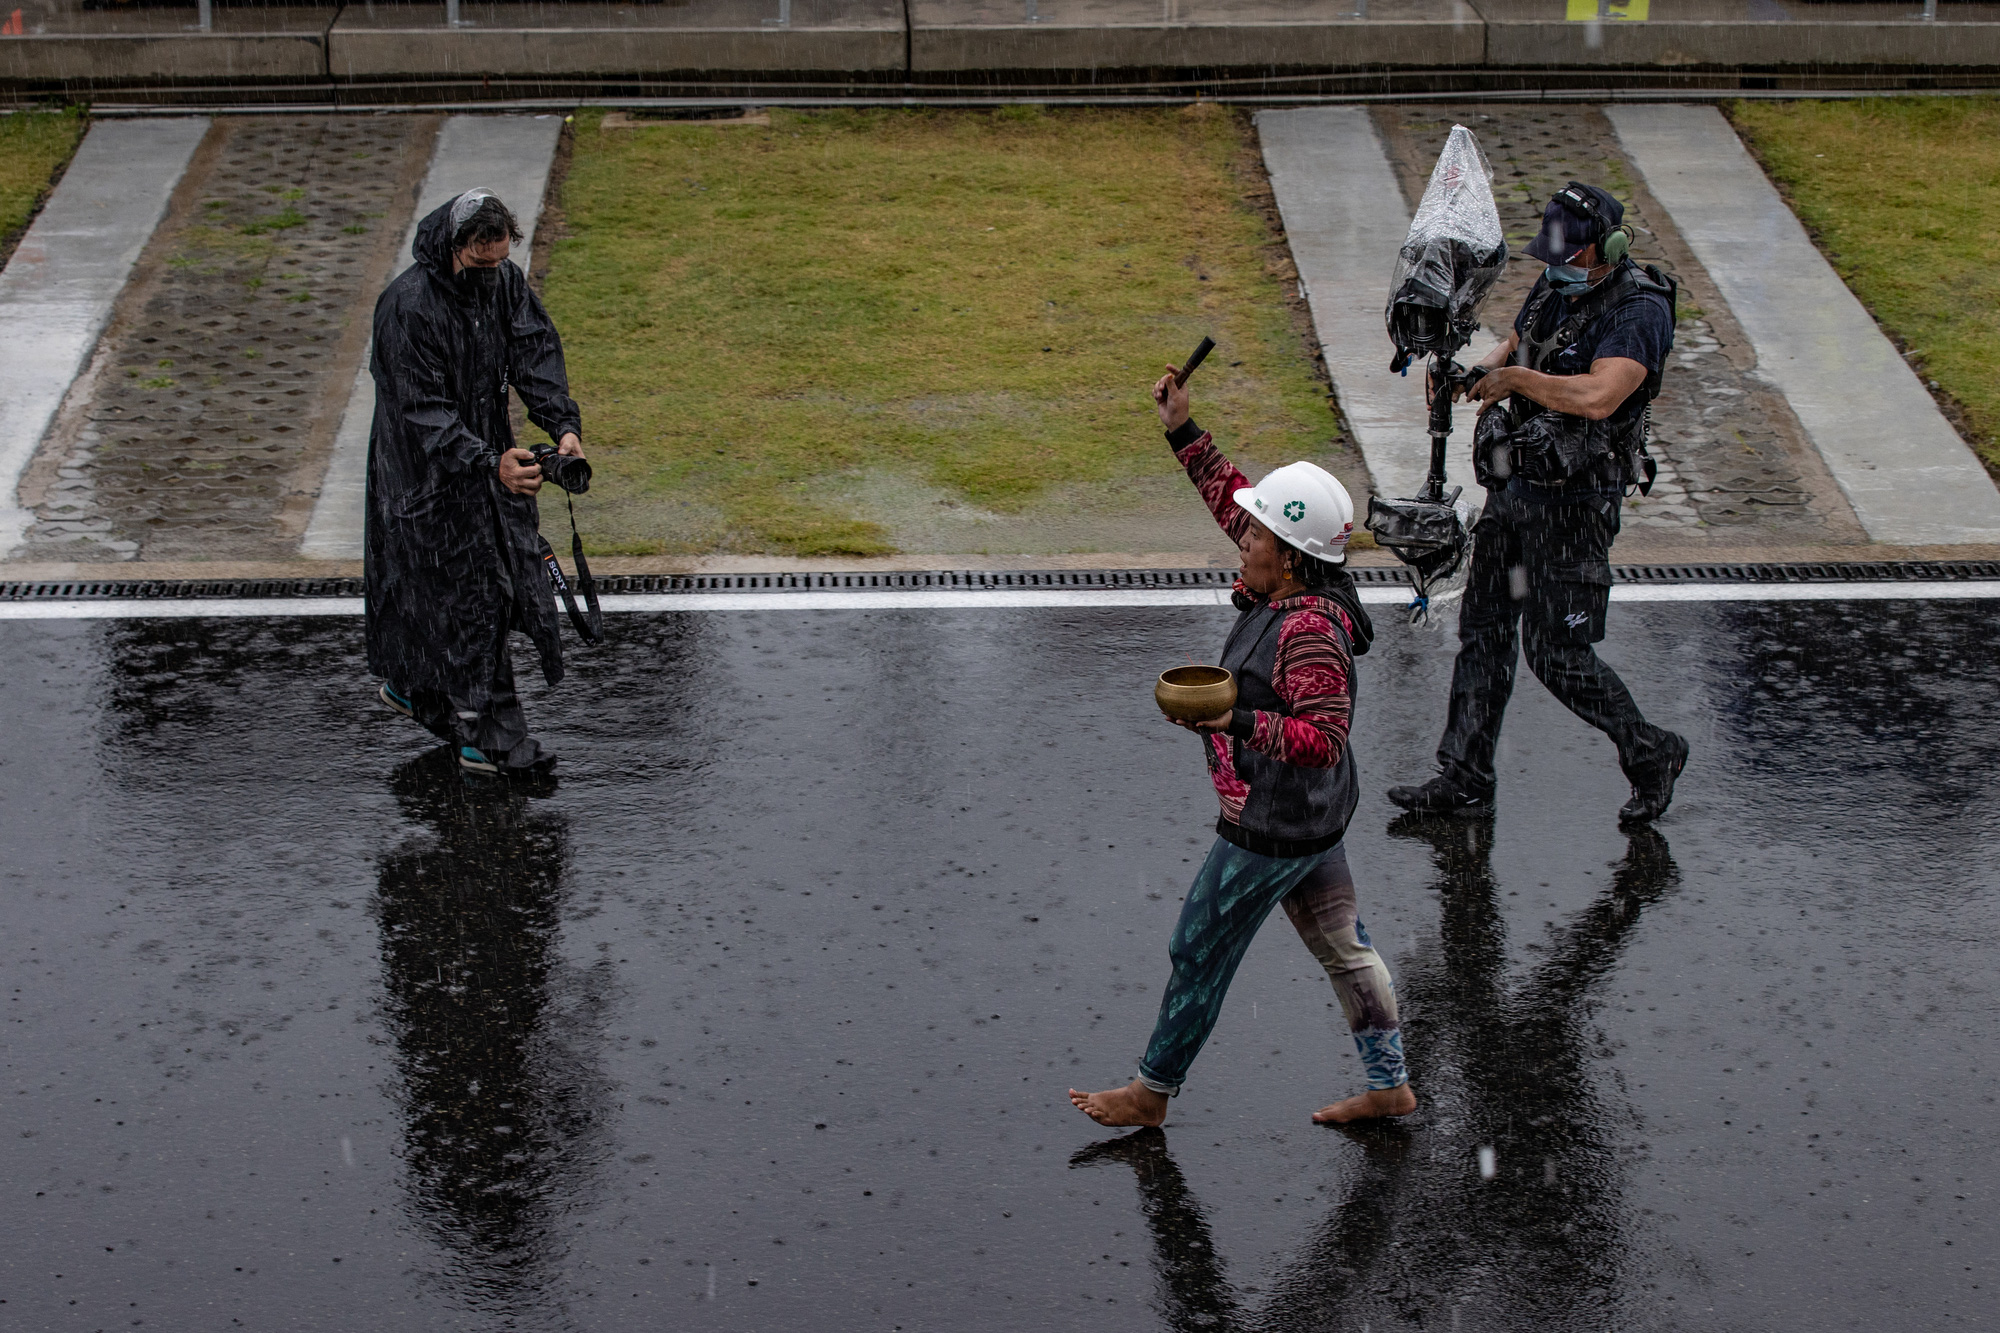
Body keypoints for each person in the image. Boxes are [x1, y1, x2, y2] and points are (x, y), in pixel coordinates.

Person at [1069, 366, 1414, 1129]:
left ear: (1290, 556)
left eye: (1256, 533)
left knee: (1198, 946)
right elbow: (1235, 499)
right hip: (1313, 820)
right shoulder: (1287, 578)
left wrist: (1232, 724)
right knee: (1344, 948)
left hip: (1273, 823)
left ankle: (1152, 1091)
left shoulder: (1310, 632)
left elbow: (1322, 741)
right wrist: (1182, 429)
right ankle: (1391, 1084)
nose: (1242, 536)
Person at [1388, 181, 1690, 823]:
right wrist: (1471, 377)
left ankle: (1651, 752)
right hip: (1518, 488)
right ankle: (1464, 778)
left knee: (1556, 654)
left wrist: (1516, 381)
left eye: (1567, 255)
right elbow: (1517, 344)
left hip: (1577, 507)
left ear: (1604, 249)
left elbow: (1599, 397)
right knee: (1484, 632)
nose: (1553, 267)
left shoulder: (1640, 311)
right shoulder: (1556, 283)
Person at [364, 188, 585, 777]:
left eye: (500, 261)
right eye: (481, 264)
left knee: (472, 586)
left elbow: (534, 352)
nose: (492, 275)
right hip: (421, 470)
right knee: (472, 592)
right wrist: (489, 462)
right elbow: (421, 409)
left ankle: (416, 687)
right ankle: (494, 744)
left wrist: (561, 425)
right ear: (453, 247)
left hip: (488, 453)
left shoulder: (504, 280)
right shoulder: (406, 306)